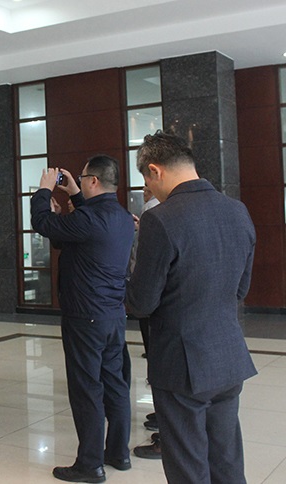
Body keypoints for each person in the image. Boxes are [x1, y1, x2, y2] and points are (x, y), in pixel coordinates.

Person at [126, 130, 257, 484]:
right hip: (227, 356)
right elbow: (240, 289)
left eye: (147, 182)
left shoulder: (160, 218)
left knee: (188, 464)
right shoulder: (237, 210)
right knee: (227, 460)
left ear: (155, 170)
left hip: (182, 364)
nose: (150, 191)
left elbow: (142, 302)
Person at [31, 156, 134, 483]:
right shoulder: (122, 217)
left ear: (93, 181)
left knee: (87, 389)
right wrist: (75, 193)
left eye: (82, 177)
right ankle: (118, 453)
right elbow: (70, 234)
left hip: (85, 317)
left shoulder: (89, 219)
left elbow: (42, 223)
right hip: (113, 316)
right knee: (115, 385)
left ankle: (90, 464)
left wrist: (44, 190)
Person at [129, 185, 160, 359]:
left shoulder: (149, 208)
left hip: (146, 270)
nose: (144, 193)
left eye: (146, 191)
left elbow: (142, 244)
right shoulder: (165, 204)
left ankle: (150, 349)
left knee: (145, 315)